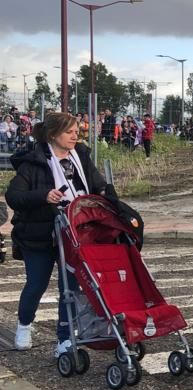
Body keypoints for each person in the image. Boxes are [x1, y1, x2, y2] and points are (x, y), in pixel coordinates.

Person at [4, 112, 118, 353]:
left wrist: (108, 195)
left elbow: (96, 185)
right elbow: (13, 197)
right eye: (70, 132)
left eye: (77, 131)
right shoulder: (32, 162)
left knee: (70, 288)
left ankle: (65, 338)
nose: (75, 136)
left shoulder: (82, 156)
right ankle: (24, 324)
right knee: (36, 284)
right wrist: (43, 196)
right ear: (53, 134)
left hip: (75, 233)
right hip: (39, 234)